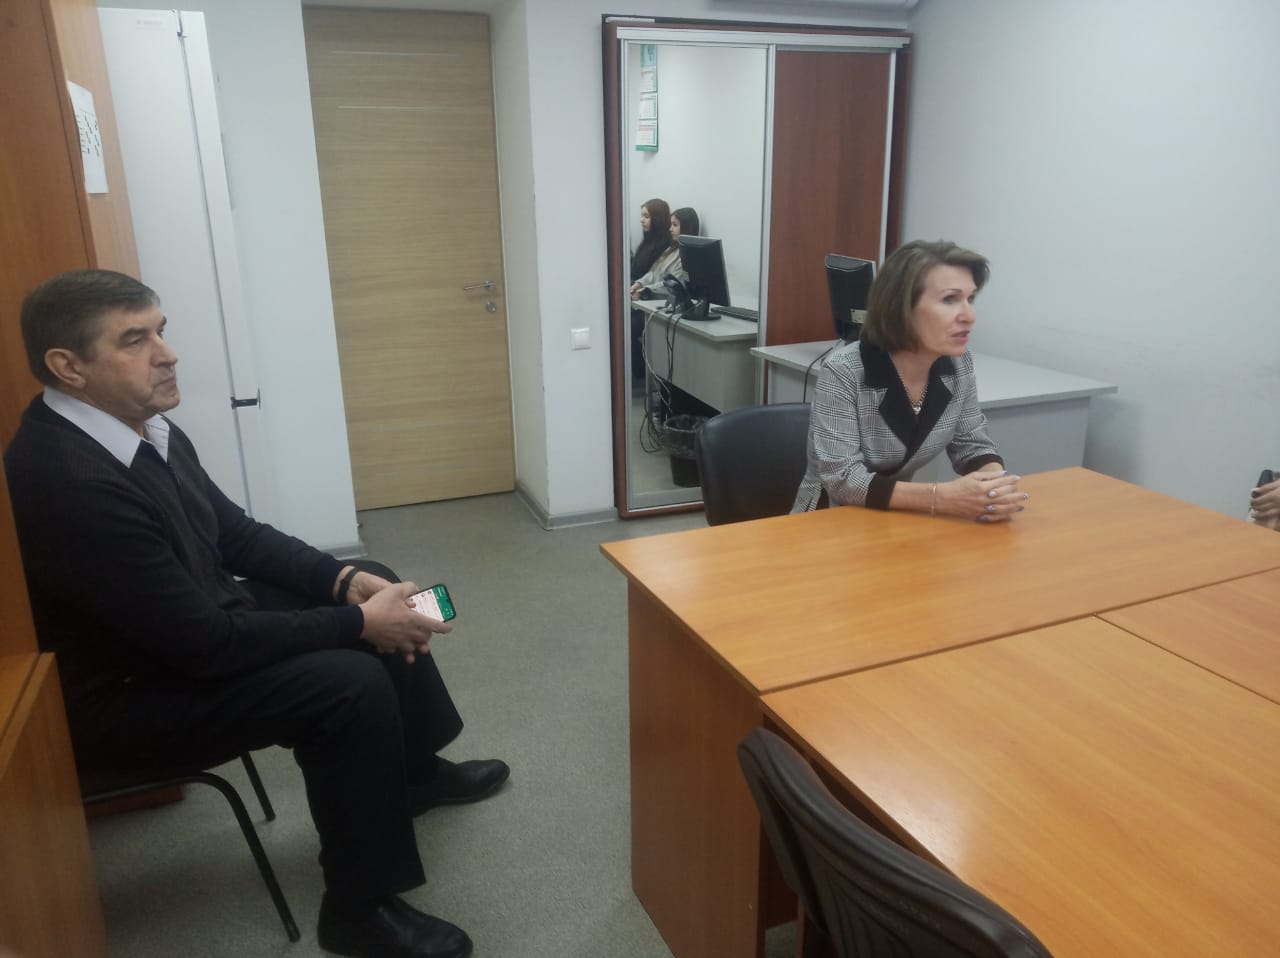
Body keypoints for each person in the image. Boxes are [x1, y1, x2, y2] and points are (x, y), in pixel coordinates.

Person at [3, 270, 510, 958]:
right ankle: (357, 913)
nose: (168, 354)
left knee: (378, 581)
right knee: (347, 684)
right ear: (69, 367)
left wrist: (343, 581)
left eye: (161, 332)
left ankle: (414, 774)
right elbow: (206, 644)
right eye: (134, 340)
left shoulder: (145, 427)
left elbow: (236, 536)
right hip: (126, 700)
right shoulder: (67, 481)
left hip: (182, 636)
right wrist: (360, 625)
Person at [791, 239, 1030, 521]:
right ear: (901, 307)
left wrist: (994, 488)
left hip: (899, 515)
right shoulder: (845, 370)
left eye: (970, 299)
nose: (969, 315)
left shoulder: (958, 364)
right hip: (829, 519)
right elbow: (842, 479)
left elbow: (972, 443)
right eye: (950, 299)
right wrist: (942, 497)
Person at [630, 206, 700, 302]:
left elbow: (673, 283)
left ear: (687, 227)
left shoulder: (689, 257)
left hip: (665, 302)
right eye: (671, 225)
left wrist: (646, 290)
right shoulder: (671, 249)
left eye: (675, 225)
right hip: (652, 301)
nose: (670, 229)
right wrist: (639, 284)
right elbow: (653, 273)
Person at [630, 198, 671, 283]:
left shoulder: (665, 246)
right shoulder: (648, 241)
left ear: (658, 219)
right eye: (642, 216)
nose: (642, 220)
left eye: (646, 216)